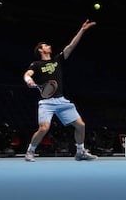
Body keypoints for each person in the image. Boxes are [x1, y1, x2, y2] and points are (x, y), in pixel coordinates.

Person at [23, 19, 98, 161]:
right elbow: (27, 74)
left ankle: (80, 152)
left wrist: (82, 29)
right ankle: (30, 152)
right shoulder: (36, 64)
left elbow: (71, 45)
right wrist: (29, 80)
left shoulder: (57, 60)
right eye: (45, 45)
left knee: (81, 125)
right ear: (40, 49)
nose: (49, 46)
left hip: (61, 100)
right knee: (44, 128)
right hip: (46, 102)